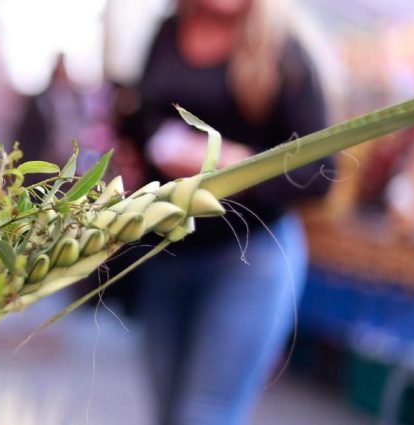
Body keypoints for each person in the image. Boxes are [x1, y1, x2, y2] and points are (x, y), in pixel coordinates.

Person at [118, 0, 333, 423]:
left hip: (249, 257)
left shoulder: (285, 50)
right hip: (167, 251)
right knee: (167, 412)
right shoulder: (165, 33)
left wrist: (235, 164)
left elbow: (321, 173)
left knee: (204, 414)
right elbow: (143, 120)